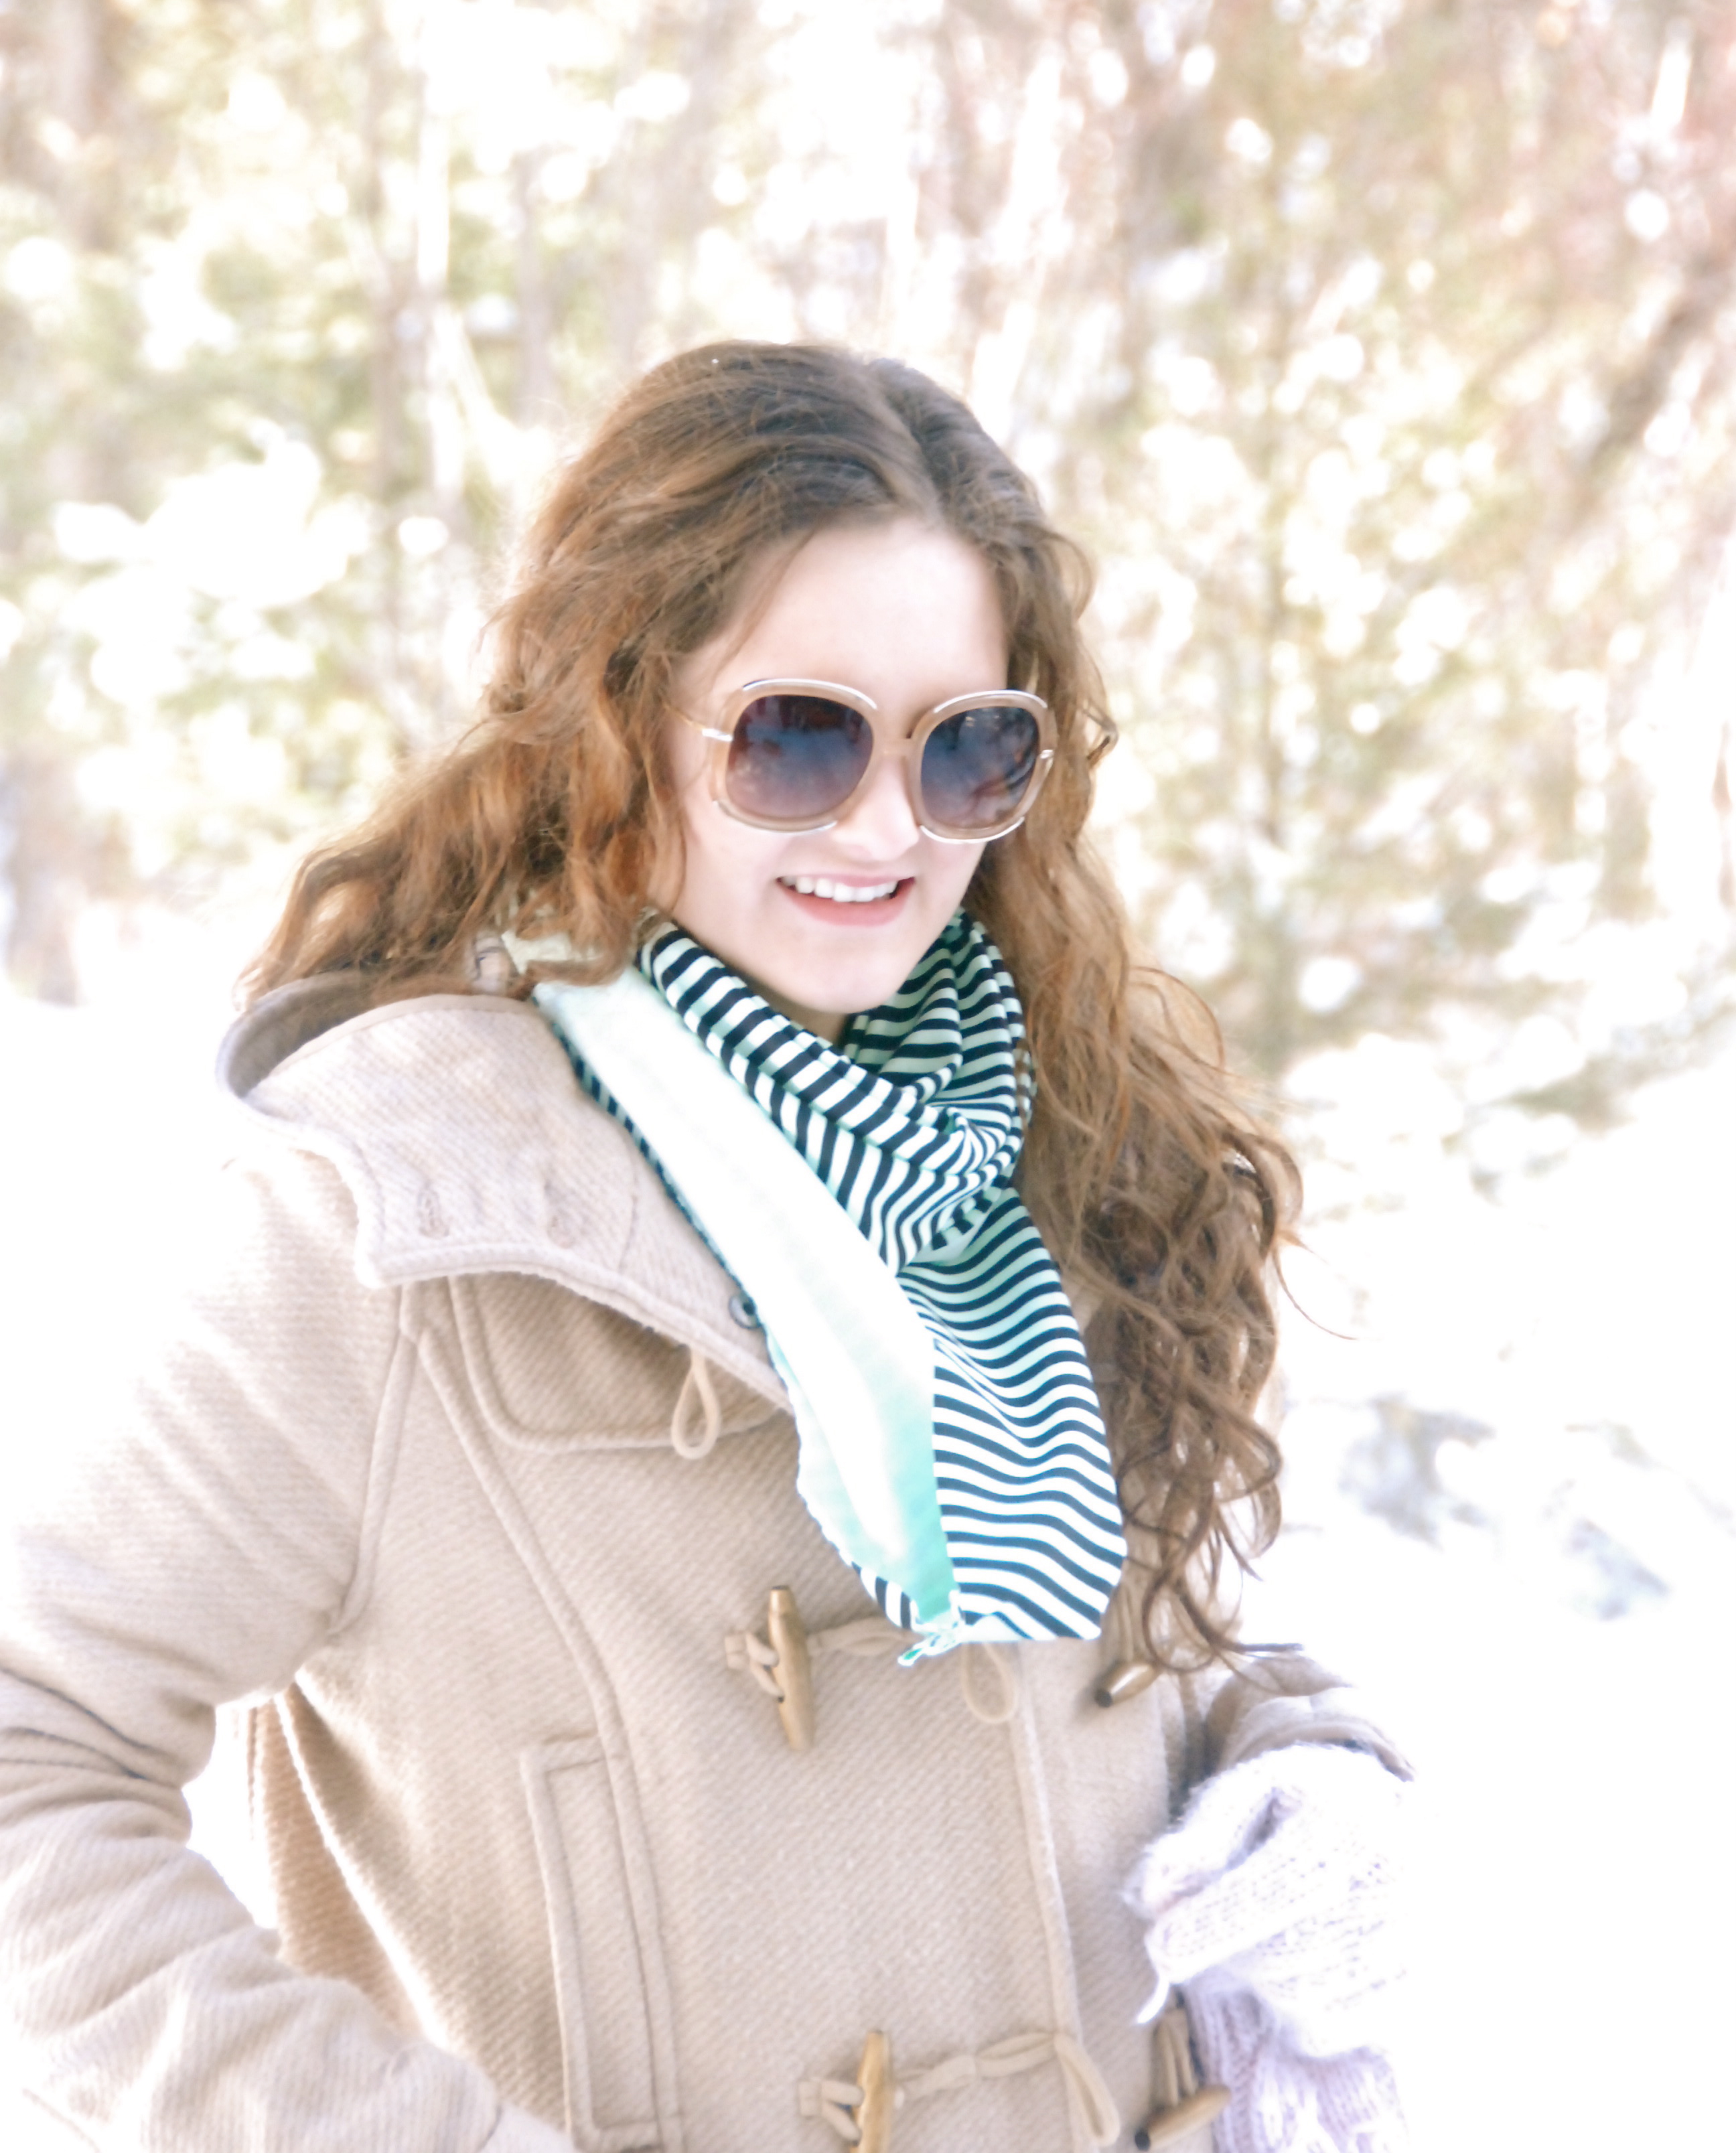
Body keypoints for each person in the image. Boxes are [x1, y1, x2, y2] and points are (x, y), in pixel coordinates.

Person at [0, 343, 1408, 2152]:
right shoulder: (383, 1218)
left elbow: (1111, 1659)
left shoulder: (1052, 1143)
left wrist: (1303, 1768)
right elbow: (33, 1757)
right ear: (615, 725)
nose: (889, 827)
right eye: (800, 738)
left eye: (967, 748)